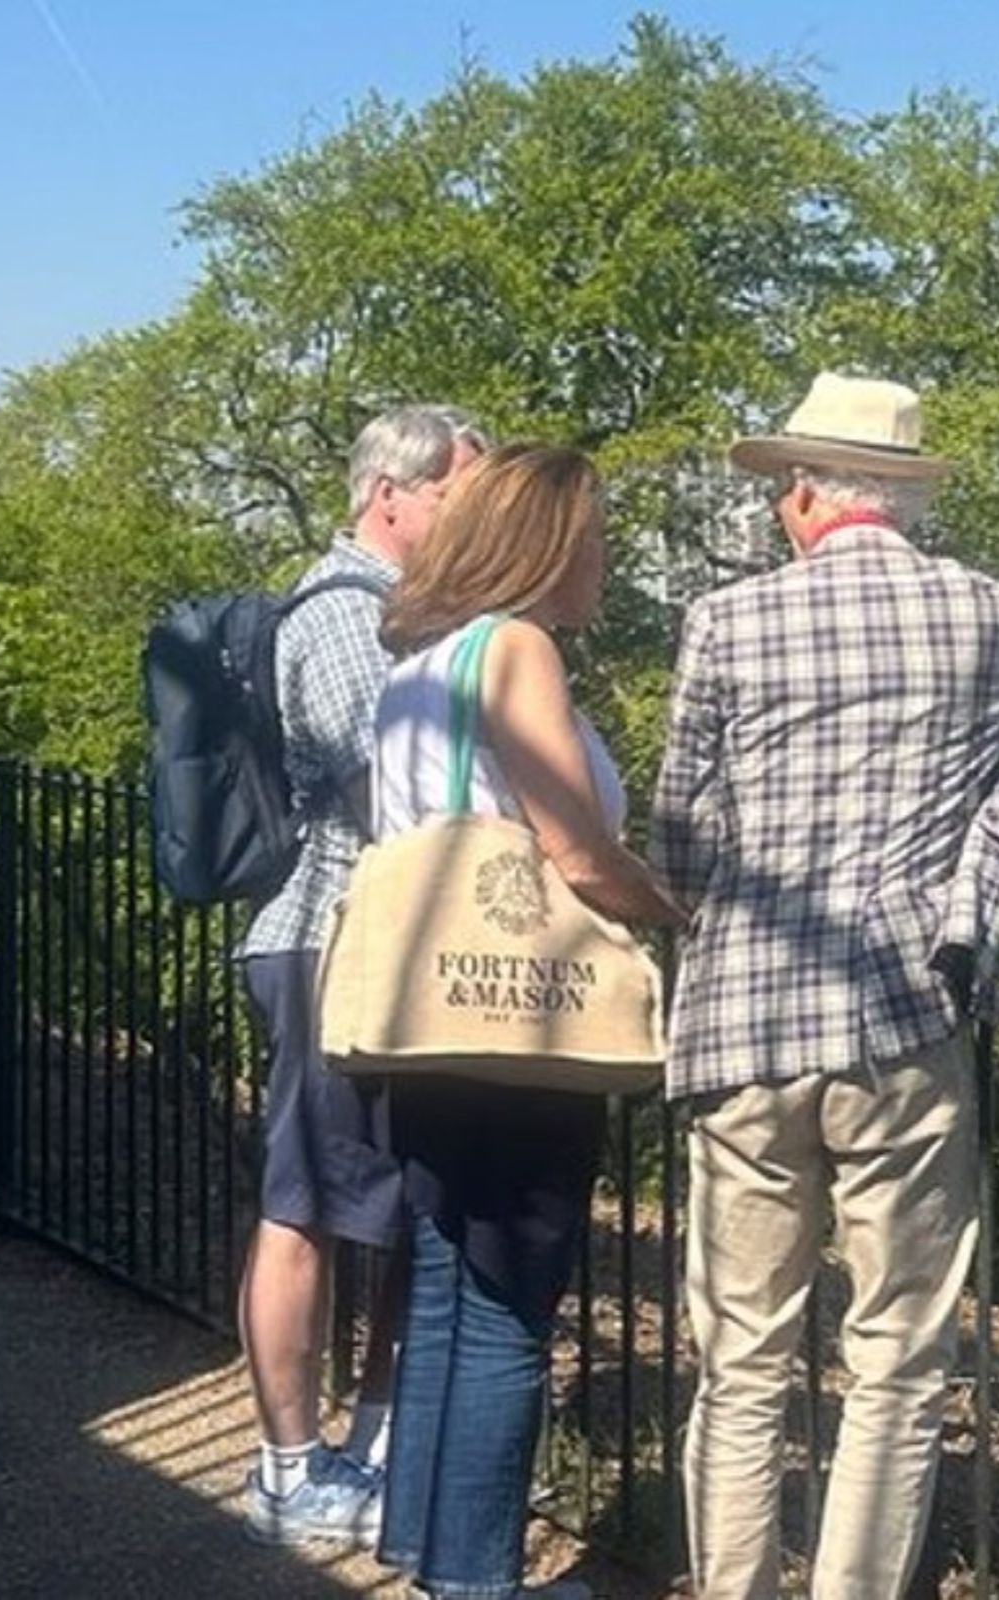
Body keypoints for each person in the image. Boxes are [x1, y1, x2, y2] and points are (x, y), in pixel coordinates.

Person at [654, 373, 999, 1598]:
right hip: (903, 1019)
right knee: (895, 1357)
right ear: (905, 500)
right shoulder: (990, 617)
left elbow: (680, 837)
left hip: (742, 1020)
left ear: (801, 496)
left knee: (741, 1359)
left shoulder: (723, 625)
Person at [366, 443, 683, 1600]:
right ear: (547, 542)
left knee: (451, 1288)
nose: (608, 557)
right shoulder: (517, 647)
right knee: (509, 1309)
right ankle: (478, 1581)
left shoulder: (422, 656)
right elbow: (573, 850)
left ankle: (426, 1549)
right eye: (597, 534)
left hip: (428, 1015)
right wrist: (673, 906)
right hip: (519, 1025)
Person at [233, 404, 488, 1547]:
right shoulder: (344, 611)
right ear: (393, 493)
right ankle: (290, 1468)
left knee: (391, 1202)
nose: (473, 518)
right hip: (326, 936)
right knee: (304, 1205)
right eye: (458, 496)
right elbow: (373, 777)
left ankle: (374, 1444)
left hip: (377, 941)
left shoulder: (404, 614)